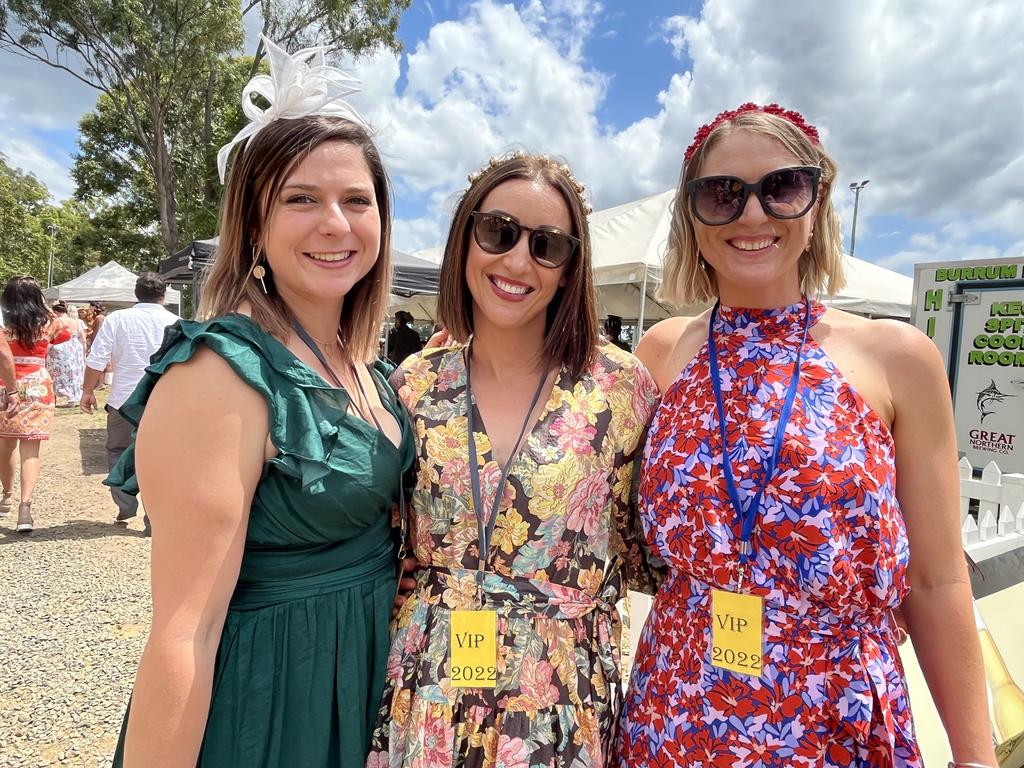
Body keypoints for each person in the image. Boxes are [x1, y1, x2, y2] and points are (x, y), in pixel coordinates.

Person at [616, 103, 998, 767]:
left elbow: (937, 584)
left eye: (783, 187)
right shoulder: (661, 352)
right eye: (722, 194)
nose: (753, 215)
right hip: (676, 711)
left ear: (818, 203)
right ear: (693, 215)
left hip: (832, 714)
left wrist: (975, 756)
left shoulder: (895, 357)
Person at [105, 37, 413, 768]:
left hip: (362, 680)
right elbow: (186, 630)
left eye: (355, 200)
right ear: (254, 222)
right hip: (273, 700)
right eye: (300, 199)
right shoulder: (221, 370)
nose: (335, 223)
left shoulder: (362, 365)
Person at [368, 152, 661, 767]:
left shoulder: (621, 388)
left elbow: (641, 551)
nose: (518, 260)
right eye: (498, 231)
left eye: (547, 245)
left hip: (559, 698)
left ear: (569, 268)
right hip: (428, 688)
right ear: (464, 239)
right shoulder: (413, 385)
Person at [81, 273, 178, 532]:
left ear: (136, 294)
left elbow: (96, 358)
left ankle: (125, 503)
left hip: (123, 398)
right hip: (162, 399)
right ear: (164, 295)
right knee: (159, 457)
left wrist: (87, 391)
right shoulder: (178, 322)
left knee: (117, 449)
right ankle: (153, 517)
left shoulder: (117, 319)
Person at [0, 275, 72, 532]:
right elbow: (67, 333)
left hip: (4, 386)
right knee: (31, 451)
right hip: (38, 384)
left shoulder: (3, 321)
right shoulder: (49, 321)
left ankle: (7, 496)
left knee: (5, 444)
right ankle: (25, 508)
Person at [46, 300, 87, 406]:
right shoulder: (75, 321)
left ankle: (63, 395)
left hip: (62, 347)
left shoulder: (57, 321)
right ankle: (74, 397)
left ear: (56, 312)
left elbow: (50, 335)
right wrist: (83, 351)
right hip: (75, 346)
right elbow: (82, 338)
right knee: (74, 372)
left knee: (61, 372)